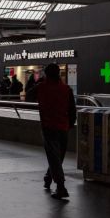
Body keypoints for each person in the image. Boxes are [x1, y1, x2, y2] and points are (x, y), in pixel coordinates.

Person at [35, 63, 76, 200]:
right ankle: (48, 177)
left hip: (48, 127)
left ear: (46, 74)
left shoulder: (41, 88)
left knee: (54, 157)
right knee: (57, 156)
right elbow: (72, 109)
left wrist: (40, 82)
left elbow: (28, 95)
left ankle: (61, 187)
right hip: (63, 127)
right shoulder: (66, 89)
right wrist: (70, 124)